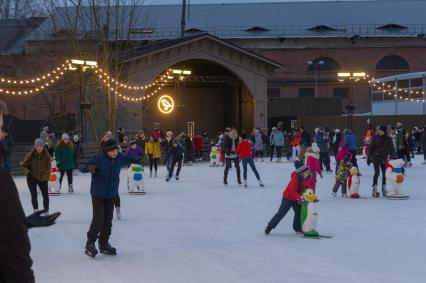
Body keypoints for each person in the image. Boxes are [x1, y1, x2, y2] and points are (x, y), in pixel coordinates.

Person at [1, 101, 60, 282]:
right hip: (33, 179)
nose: (3, 135)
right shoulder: (2, 179)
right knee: (35, 197)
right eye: (0, 127)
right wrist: (16, 229)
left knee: (43, 198)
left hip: (42, 179)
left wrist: (20, 224)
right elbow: (14, 257)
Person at [83, 139, 135, 257]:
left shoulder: (120, 157)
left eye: (116, 150)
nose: (114, 153)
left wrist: (136, 158)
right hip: (98, 194)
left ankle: (103, 243)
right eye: (112, 151)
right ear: (106, 151)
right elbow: (84, 167)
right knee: (98, 219)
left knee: (108, 220)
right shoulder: (98, 158)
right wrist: (89, 168)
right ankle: (90, 244)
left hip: (111, 194)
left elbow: (129, 158)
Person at [264, 161, 311, 235]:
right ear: (301, 173)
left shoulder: (307, 178)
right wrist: (299, 199)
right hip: (288, 198)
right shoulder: (295, 178)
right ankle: (269, 226)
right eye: (306, 172)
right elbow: (293, 191)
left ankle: (297, 228)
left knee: (298, 212)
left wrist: (310, 197)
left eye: (308, 171)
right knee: (281, 213)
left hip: (296, 198)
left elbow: (307, 189)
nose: (308, 173)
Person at [21, 138, 52, 213]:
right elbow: (23, 165)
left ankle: (46, 211)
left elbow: (48, 167)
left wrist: (46, 175)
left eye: (41, 146)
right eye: (37, 146)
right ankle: (36, 211)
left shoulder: (46, 156)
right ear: (35, 146)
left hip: (42, 178)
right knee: (34, 195)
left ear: (43, 146)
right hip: (32, 178)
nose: (39, 148)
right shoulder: (30, 155)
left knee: (45, 196)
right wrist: (28, 173)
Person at [367, 125, 395, 197]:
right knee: (377, 173)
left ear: (384, 131)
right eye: (379, 130)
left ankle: (384, 188)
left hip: (384, 158)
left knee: (385, 174)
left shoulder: (388, 139)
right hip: (375, 157)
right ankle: (375, 188)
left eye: (381, 131)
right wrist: (368, 158)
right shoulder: (375, 137)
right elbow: (370, 148)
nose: (380, 132)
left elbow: (392, 148)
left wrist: (393, 156)